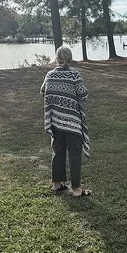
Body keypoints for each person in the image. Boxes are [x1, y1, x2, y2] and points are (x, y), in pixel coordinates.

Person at [41, 45, 91, 197]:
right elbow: (84, 95)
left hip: (55, 121)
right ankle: (76, 189)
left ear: (57, 58)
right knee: (74, 154)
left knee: (58, 152)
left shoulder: (49, 75)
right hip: (72, 122)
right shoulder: (74, 76)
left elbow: (43, 91)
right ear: (69, 58)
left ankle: (57, 184)